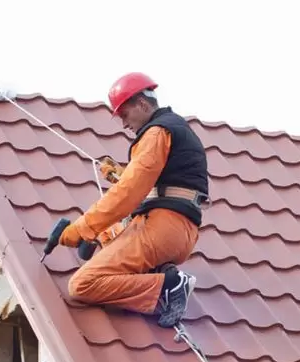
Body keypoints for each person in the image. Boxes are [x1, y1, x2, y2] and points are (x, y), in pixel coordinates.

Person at [56, 72, 209, 328]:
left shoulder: (157, 132)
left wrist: (81, 228)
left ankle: (168, 286)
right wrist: (121, 174)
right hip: (178, 232)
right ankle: (158, 273)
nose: (124, 124)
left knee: (82, 284)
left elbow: (129, 194)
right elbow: (160, 183)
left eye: (125, 114)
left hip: (161, 228)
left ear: (142, 103)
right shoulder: (176, 128)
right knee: (108, 234)